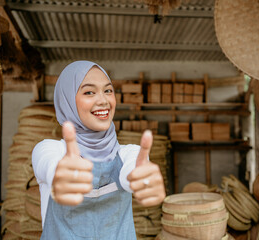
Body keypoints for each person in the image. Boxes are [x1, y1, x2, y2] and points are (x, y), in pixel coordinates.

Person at [32, 60, 166, 240]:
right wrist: (60, 174)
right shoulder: (49, 150)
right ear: (67, 100)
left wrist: (144, 179)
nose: (103, 100)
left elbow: (133, 171)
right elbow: (50, 166)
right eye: (89, 92)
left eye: (108, 90)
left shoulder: (129, 154)